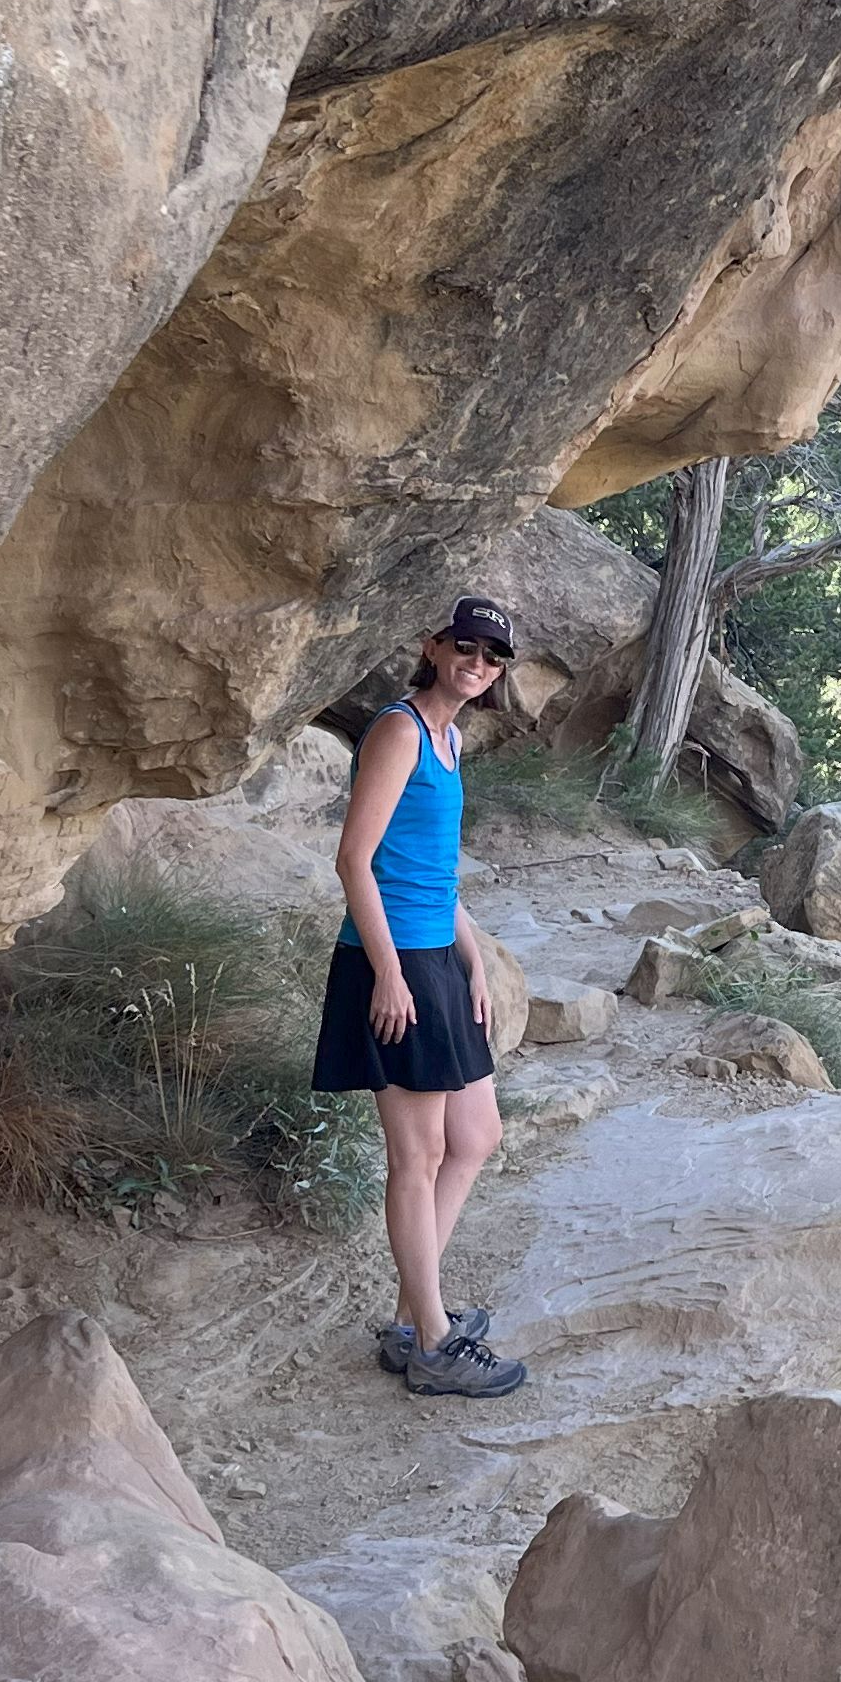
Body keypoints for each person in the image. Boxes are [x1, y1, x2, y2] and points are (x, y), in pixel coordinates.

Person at [321, 594, 530, 1398]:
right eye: (467, 647)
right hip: (392, 962)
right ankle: (432, 1340)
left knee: (475, 1135)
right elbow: (355, 860)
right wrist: (390, 972)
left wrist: (471, 959)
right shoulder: (401, 730)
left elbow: (434, 871)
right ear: (433, 645)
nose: (479, 664)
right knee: (419, 1155)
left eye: (494, 656)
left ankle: (416, 1316)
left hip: (437, 956)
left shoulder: (449, 736)